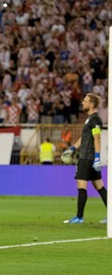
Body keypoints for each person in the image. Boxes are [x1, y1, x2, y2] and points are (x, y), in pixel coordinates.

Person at [63, 93, 108, 224]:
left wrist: (98, 157)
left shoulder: (95, 120)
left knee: (81, 184)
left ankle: (79, 217)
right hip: (89, 157)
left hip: (87, 157)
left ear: (92, 104)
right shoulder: (90, 119)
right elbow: (84, 139)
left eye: (85, 101)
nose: (83, 102)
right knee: (99, 186)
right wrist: (71, 149)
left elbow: (97, 138)